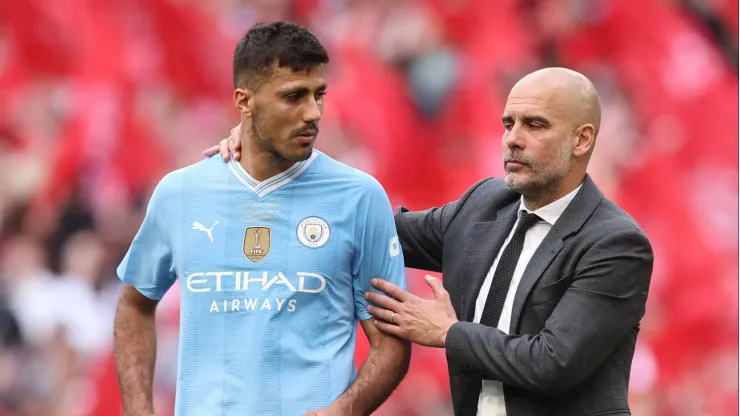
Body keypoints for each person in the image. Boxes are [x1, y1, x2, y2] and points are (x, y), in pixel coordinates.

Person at [207, 67, 654, 416]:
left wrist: (448, 333)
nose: (513, 139)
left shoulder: (615, 243)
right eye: (509, 122)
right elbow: (373, 227)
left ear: (582, 139)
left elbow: (551, 363)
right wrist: (280, 165)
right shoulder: (485, 204)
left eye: (535, 125)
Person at [115, 21, 410, 416]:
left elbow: (391, 340)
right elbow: (135, 305)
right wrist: (138, 410)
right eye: (294, 97)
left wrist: (346, 409)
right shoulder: (180, 193)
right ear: (245, 101)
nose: (313, 113)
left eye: (319, 94)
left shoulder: (359, 197)